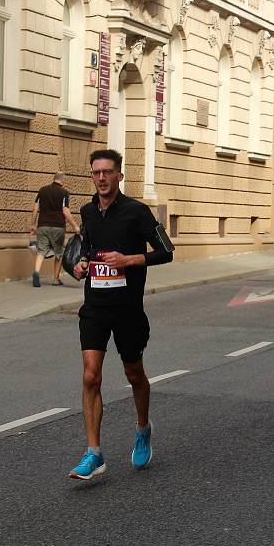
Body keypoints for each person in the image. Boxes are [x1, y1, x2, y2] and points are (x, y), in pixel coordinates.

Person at [68, 149, 174, 480]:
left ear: (119, 176)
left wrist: (128, 260)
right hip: (95, 307)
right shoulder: (87, 212)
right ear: (92, 176)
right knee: (90, 376)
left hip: (128, 309)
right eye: (96, 172)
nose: (101, 178)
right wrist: (81, 264)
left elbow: (166, 251)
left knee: (134, 375)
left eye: (108, 172)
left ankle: (143, 428)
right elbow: (86, 248)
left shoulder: (137, 212)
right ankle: (94, 454)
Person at [29, 172, 80, 287]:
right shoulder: (64, 192)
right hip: (58, 227)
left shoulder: (42, 190)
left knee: (41, 250)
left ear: (54, 179)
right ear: (63, 180)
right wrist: (74, 226)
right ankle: (56, 279)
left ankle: (36, 272)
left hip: (42, 225)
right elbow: (65, 211)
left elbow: (35, 208)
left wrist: (33, 225)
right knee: (58, 252)